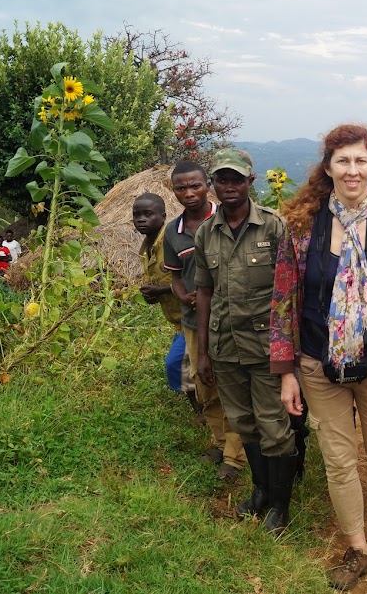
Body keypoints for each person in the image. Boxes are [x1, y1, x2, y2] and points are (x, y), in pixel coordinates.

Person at [271, 125, 367, 590]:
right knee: (339, 460)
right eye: (343, 161)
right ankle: (356, 547)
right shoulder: (301, 225)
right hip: (320, 365)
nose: (352, 170)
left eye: (361, 161)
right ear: (328, 168)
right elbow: (283, 300)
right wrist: (286, 374)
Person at [193, 149, 296, 535]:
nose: (229, 186)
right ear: (213, 185)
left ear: (251, 183)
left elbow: (290, 293)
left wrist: (290, 352)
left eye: (237, 179)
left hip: (268, 349)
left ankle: (280, 508)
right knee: (244, 424)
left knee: (274, 426)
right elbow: (204, 292)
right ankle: (261, 493)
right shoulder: (207, 232)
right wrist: (203, 352)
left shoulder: (273, 227)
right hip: (225, 347)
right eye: (222, 179)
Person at [164, 161, 247, 482]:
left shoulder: (226, 219)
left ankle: (235, 458)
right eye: (181, 188)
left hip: (229, 320)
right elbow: (174, 277)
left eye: (195, 186)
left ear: (207, 186)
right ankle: (221, 442)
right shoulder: (173, 232)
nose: (189, 193)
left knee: (233, 387)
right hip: (193, 320)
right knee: (205, 383)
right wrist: (184, 295)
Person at [132, 193, 185, 394]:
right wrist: (152, 295)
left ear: (163, 216)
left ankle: (201, 409)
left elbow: (192, 280)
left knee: (175, 363)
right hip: (177, 319)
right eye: (137, 215)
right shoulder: (145, 249)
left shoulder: (173, 241)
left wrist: (161, 290)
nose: (141, 219)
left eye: (148, 214)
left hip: (193, 316)